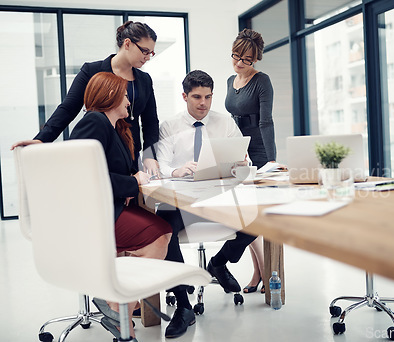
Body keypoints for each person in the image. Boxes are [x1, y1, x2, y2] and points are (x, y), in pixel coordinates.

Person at [69, 72, 172, 340]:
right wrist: (130, 183)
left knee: (161, 231)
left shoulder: (116, 128)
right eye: (125, 95)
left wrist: (130, 184)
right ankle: (117, 303)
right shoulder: (93, 122)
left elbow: (107, 170)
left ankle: (119, 313)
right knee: (159, 237)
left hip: (111, 206)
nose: (129, 101)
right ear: (110, 96)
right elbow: (83, 173)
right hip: (96, 214)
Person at [156, 70, 257, 338]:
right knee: (164, 229)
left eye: (209, 97)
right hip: (180, 199)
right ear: (184, 96)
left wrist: (240, 164)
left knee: (259, 218)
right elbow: (162, 165)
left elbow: (241, 157)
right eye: (197, 97)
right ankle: (183, 306)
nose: (204, 103)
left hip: (217, 196)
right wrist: (176, 171)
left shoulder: (225, 123)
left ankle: (219, 262)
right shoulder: (170, 126)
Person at [11, 20, 160, 176]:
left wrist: (150, 155)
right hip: (100, 152)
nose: (148, 57)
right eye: (145, 51)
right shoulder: (92, 71)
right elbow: (68, 108)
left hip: (130, 155)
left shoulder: (144, 80)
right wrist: (42, 139)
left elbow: (151, 122)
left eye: (151, 53)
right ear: (127, 43)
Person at [225, 28, 276, 294]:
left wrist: (272, 161)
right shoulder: (229, 81)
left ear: (255, 60)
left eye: (246, 59)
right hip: (239, 152)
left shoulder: (262, 81)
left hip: (259, 150)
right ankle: (259, 272)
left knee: (258, 216)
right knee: (246, 216)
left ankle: (269, 273)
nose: (239, 63)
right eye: (236, 57)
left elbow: (266, 121)